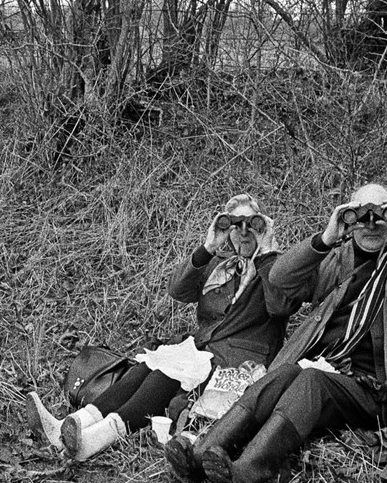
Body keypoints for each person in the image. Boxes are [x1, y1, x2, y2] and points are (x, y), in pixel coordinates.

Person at [179, 183, 387, 483]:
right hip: (330, 372)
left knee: (310, 380)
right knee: (282, 374)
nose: (371, 222)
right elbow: (281, 278)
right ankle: (201, 456)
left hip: (376, 390)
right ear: (348, 219)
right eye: (361, 214)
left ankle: (248, 474)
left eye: (381, 214)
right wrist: (324, 239)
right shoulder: (338, 259)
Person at [27, 194, 298, 461]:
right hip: (202, 352)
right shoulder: (220, 266)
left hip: (240, 365)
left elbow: (280, 306)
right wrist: (207, 248)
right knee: (143, 370)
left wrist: (267, 253)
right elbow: (178, 290)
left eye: (251, 224)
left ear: (263, 226)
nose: (243, 231)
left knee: (163, 377)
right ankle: (71, 423)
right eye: (234, 224)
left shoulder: (278, 267)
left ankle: (91, 441)